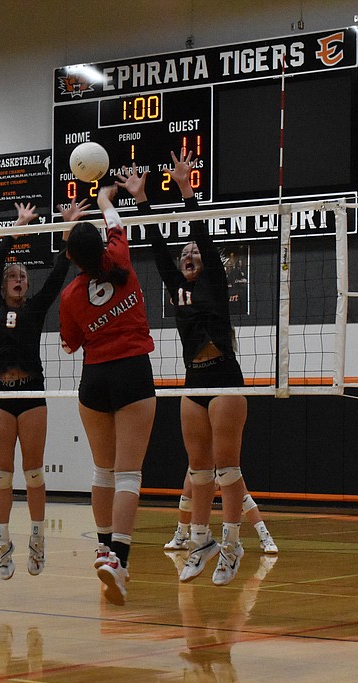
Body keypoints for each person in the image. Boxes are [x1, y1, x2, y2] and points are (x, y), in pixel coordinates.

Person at [130, 151, 277, 586]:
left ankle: (231, 545)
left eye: (196, 253)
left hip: (225, 378)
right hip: (192, 383)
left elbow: (203, 237)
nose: (191, 255)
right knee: (197, 472)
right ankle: (200, 542)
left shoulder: (212, 279)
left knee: (227, 469)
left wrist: (187, 192)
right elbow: (157, 249)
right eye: (186, 255)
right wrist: (141, 200)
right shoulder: (177, 288)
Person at [58, 183, 157, 606]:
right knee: (129, 473)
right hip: (132, 372)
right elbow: (114, 220)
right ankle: (119, 557)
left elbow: (69, 345)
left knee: (103, 471)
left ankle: (103, 548)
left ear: (70, 258)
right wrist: (103, 197)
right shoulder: (119, 256)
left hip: (94, 378)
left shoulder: (69, 295)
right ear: (100, 244)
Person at [0, 201, 75, 578]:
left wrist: (67, 233)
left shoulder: (35, 309)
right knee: (2, 475)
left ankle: (38, 539)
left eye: (23, 276)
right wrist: (16, 229)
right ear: (4, 285)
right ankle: (2, 544)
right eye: (13, 277)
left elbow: (58, 275)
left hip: (32, 395)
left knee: (33, 473)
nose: (19, 280)